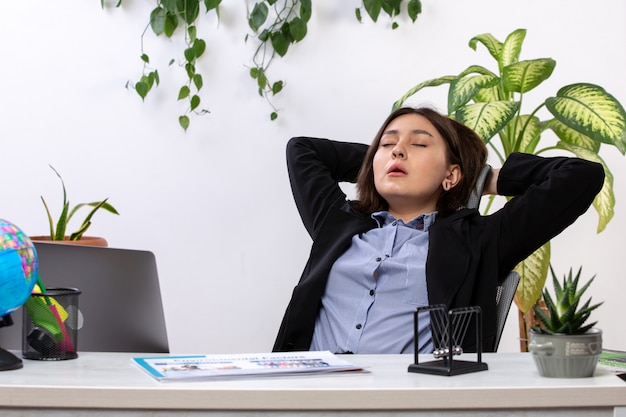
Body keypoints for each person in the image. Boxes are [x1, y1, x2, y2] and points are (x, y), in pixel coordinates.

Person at [273, 106, 605, 354]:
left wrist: (482, 177)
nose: (398, 150)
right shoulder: (338, 223)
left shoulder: (478, 241)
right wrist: (384, 162)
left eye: (419, 145)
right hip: (306, 394)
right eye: (387, 144)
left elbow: (581, 175)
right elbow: (302, 150)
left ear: (452, 175)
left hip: (412, 402)